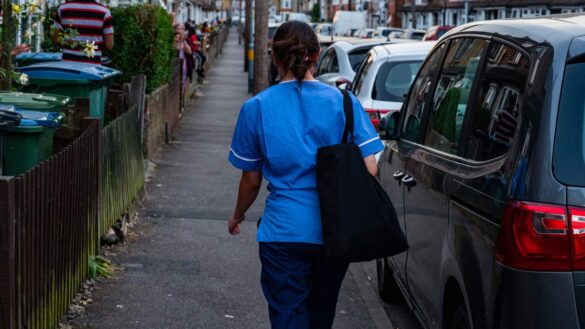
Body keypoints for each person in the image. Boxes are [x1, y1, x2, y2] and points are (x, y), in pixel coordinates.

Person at [227, 21, 382, 329]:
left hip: (282, 232)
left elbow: (252, 180)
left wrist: (238, 215)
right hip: (333, 230)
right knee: (321, 316)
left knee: (287, 316)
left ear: (274, 57)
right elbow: (371, 167)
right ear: (317, 54)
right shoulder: (345, 103)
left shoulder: (256, 107)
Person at [53, 0, 114, 64]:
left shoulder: (63, 9)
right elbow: (109, 45)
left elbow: (56, 40)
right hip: (92, 67)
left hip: (68, 66)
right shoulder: (104, 11)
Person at [174, 23, 193, 91]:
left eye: (181, 29)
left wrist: (183, 40)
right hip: (176, 64)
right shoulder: (174, 39)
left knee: (183, 80)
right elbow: (176, 50)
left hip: (184, 64)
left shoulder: (185, 40)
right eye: (178, 29)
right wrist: (177, 41)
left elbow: (189, 51)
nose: (180, 31)